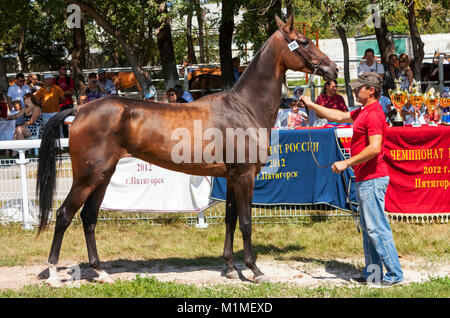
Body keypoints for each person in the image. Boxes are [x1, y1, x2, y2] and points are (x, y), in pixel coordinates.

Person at [299, 72, 404, 286]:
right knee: (369, 230)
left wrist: (347, 163)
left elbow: (374, 148)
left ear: (371, 90)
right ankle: (373, 275)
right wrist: (311, 104)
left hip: (373, 179)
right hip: (366, 178)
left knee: (376, 228)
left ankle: (394, 275)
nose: (355, 90)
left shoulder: (373, 114)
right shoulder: (365, 111)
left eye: (359, 88)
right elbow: (337, 117)